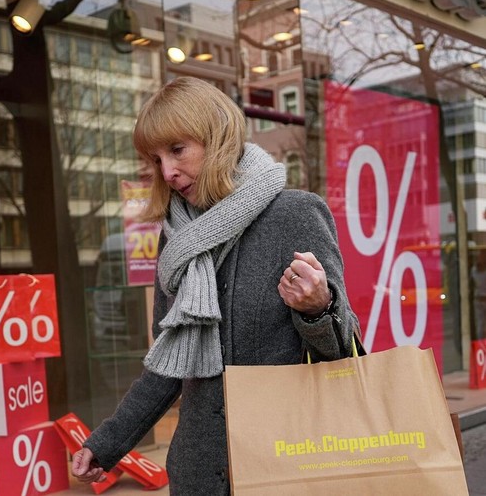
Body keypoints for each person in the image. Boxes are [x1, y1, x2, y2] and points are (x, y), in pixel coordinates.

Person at [71, 77, 359, 494]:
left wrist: (319, 307)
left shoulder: (294, 214)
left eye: (177, 149)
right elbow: (168, 365)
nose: (167, 172)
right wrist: (106, 445)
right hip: (198, 474)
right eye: (155, 160)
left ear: (216, 136)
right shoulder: (176, 239)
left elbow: (343, 352)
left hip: (285, 463)